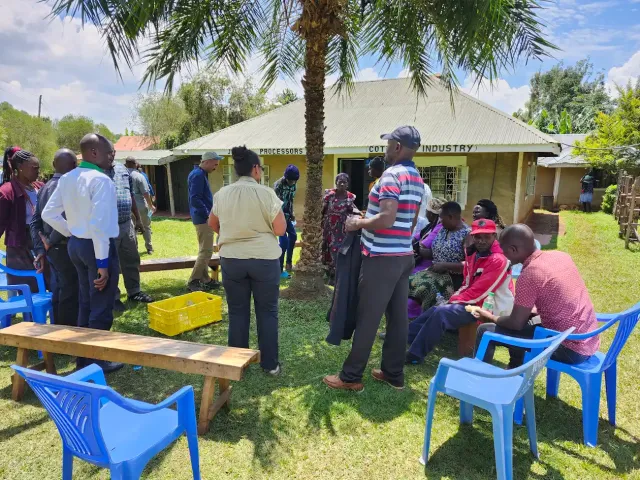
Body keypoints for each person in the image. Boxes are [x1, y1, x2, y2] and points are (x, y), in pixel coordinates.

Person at [323, 125, 425, 391]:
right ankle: (393, 373)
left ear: (398, 146)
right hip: (403, 256)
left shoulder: (391, 176)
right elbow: (410, 221)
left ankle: (351, 376)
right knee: (398, 318)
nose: (385, 148)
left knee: (368, 317)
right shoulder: (416, 178)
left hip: (381, 258)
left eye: (388, 143)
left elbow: (387, 218)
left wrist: (358, 223)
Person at [42, 133, 123, 374]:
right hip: (96, 248)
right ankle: (95, 361)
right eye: (109, 153)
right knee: (101, 303)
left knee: (85, 301)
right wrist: (102, 263)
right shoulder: (101, 181)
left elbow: (49, 214)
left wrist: (73, 232)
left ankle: (83, 359)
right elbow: (99, 226)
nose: (112, 158)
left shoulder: (67, 179)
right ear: (94, 153)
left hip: (76, 245)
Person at [472, 224, 600, 367]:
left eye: (503, 249)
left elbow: (515, 323)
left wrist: (488, 317)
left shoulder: (530, 274)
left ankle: (478, 380)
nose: (502, 253)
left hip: (569, 349)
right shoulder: (561, 256)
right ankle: (515, 373)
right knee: (524, 325)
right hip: (587, 339)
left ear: (513, 249)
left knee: (485, 331)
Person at [208, 146, 286, 375]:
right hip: (265, 260)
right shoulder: (266, 194)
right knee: (268, 312)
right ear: (255, 169)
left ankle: (236, 365)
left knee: (237, 312)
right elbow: (280, 229)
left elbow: (213, 224)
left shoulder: (222, 194)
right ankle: (270, 365)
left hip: (232, 259)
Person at [406, 219, 514, 364]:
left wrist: (453, 301)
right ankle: (405, 336)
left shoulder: (498, 259)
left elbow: (481, 291)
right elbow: (467, 283)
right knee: (437, 309)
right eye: (478, 237)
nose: (481, 241)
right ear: (472, 236)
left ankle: (414, 355)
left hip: (492, 307)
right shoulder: (473, 253)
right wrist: (455, 298)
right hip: (474, 302)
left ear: (494, 236)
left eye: (486, 237)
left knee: (441, 312)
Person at [30, 149, 79, 326]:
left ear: (53, 165)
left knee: (59, 288)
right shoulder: (67, 186)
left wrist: (41, 248)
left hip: (52, 250)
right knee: (70, 290)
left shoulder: (44, 187)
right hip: (64, 246)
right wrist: (49, 242)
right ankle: (65, 334)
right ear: (74, 166)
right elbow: (65, 219)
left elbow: (34, 222)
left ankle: (57, 327)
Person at [407, 201, 471, 316]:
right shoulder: (443, 230)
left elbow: (469, 264)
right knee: (406, 283)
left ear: (451, 217)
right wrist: (416, 249)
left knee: (425, 288)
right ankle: (405, 324)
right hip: (434, 272)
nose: (440, 221)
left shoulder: (467, 234)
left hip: (453, 278)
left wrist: (445, 265)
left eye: (442, 218)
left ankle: (426, 323)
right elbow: (435, 251)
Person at [107, 157, 153, 306]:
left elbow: (131, 195)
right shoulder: (95, 171)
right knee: (110, 262)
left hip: (127, 223)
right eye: (107, 151)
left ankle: (134, 292)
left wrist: (138, 219)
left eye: (112, 151)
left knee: (131, 258)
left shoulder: (122, 169)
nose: (111, 154)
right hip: (107, 226)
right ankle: (113, 297)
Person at [0, 148, 44, 294]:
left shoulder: (40, 187)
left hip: (42, 244)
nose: (38, 171)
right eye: (34, 168)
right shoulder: (6, 192)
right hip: (21, 248)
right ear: (20, 167)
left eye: (38, 168)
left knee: (48, 286)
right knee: (30, 290)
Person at [187, 151, 222, 292]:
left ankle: (205, 279)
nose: (216, 167)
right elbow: (195, 199)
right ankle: (193, 281)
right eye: (215, 164)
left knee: (204, 250)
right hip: (202, 219)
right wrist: (208, 216)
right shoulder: (198, 175)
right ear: (207, 161)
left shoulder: (198, 173)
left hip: (201, 217)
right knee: (206, 251)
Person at [321, 173, 359, 283]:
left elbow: (353, 210)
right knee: (327, 249)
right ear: (336, 183)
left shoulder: (350, 197)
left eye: (344, 182)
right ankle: (328, 274)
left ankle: (336, 275)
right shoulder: (330, 196)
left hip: (341, 229)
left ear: (347, 184)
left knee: (338, 249)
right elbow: (322, 210)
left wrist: (359, 216)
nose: (342, 184)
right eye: (339, 181)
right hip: (329, 228)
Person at [273, 164, 299, 279]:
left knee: (293, 236)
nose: (292, 183)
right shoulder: (278, 185)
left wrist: (292, 213)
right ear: (286, 177)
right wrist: (280, 219)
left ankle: (289, 263)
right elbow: (276, 205)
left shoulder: (294, 184)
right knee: (283, 242)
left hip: (287, 216)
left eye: (294, 181)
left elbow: (291, 199)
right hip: (278, 217)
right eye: (290, 180)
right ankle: (279, 269)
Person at [125, 157, 155, 254]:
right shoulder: (139, 176)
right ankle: (149, 247)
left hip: (128, 206)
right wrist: (151, 205)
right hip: (140, 205)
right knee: (146, 226)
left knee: (132, 228)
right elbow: (146, 193)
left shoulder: (123, 175)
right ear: (134, 164)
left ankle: (135, 248)